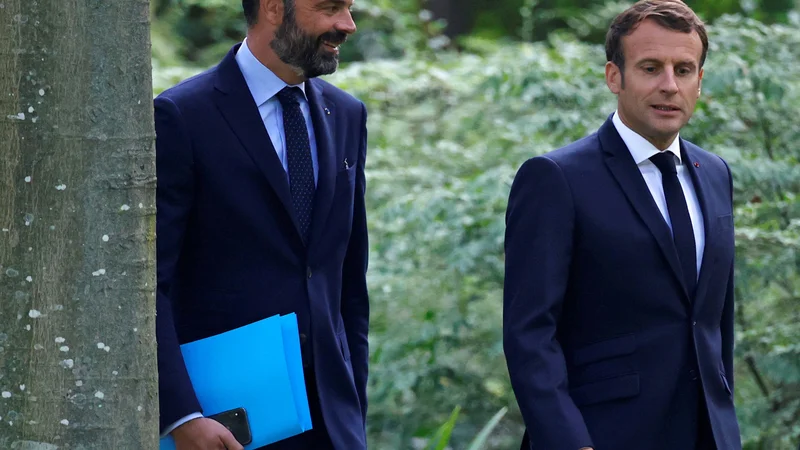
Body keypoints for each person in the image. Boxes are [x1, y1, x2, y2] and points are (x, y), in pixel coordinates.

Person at [502, 1, 742, 449]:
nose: (669, 85)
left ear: (700, 81)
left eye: (684, 70)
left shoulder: (715, 173)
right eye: (650, 67)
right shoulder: (556, 178)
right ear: (615, 76)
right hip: (601, 435)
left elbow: (713, 322)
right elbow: (529, 335)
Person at [154, 0, 369, 448]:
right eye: (330, 7)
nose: (347, 25)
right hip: (224, 423)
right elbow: (150, 283)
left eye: (348, 7)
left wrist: (354, 405)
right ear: (273, 7)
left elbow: (348, 278)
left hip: (334, 423)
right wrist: (181, 414)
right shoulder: (181, 116)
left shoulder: (349, 114)